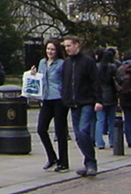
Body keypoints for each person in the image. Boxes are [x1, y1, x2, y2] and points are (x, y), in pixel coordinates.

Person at [60, 34, 100, 177]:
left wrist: (98, 100)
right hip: (73, 104)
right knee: (78, 136)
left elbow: (95, 81)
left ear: (77, 45)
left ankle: (91, 163)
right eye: (65, 46)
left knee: (83, 131)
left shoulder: (88, 62)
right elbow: (64, 83)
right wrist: (65, 99)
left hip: (86, 102)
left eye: (69, 46)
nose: (67, 49)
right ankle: (88, 161)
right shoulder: (66, 63)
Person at [30, 39, 68, 172]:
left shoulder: (62, 64)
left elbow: (65, 81)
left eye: (52, 49)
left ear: (57, 51)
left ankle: (63, 162)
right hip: (46, 99)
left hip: (59, 99)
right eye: (48, 49)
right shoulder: (42, 62)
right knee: (41, 129)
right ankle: (52, 157)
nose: (50, 52)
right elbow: (40, 78)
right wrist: (33, 75)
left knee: (60, 132)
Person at [93, 48, 119, 149]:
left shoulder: (95, 67)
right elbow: (118, 80)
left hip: (99, 96)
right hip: (111, 95)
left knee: (100, 120)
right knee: (111, 120)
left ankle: (99, 142)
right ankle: (112, 141)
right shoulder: (112, 67)